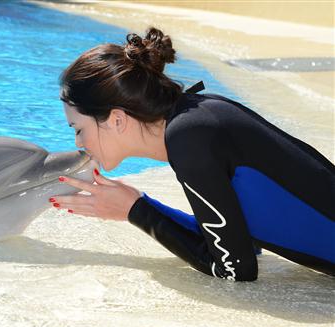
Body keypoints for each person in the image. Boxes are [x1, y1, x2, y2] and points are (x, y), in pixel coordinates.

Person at [48, 27, 335, 281]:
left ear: (117, 119)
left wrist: (136, 211)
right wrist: (137, 205)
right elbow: (242, 240)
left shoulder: (188, 138)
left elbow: (235, 268)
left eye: (78, 128)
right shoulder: (198, 114)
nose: (79, 144)